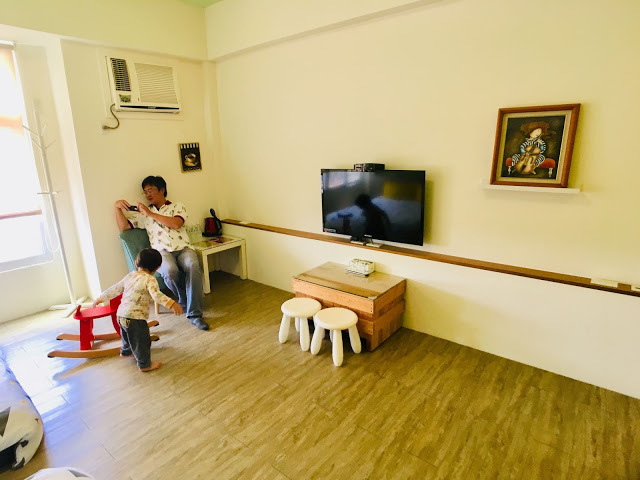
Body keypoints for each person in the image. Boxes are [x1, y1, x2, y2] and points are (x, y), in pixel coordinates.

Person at [114, 175, 209, 331]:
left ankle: (195, 314)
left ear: (162, 190)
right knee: (170, 271)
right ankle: (185, 300)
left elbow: (176, 223)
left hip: (183, 248)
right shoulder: (143, 214)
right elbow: (124, 227)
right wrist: (117, 208)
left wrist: (150, 214)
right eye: (145, 192)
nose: (147, 194)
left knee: (192, 266)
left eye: (150, 190)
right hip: (161, 252)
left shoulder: (177, 206)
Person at [93, 248, 183, 372]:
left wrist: (100, 298)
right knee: (142, 341)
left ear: (136, 263)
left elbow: (115, 289)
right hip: (136, 319)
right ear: (158, 267)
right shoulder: (150, 280)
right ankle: (145, 364)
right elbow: (157, 296)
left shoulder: (130, 276)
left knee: (126, 335)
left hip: (121, 315)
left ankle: (126, 352)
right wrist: (172, 304)